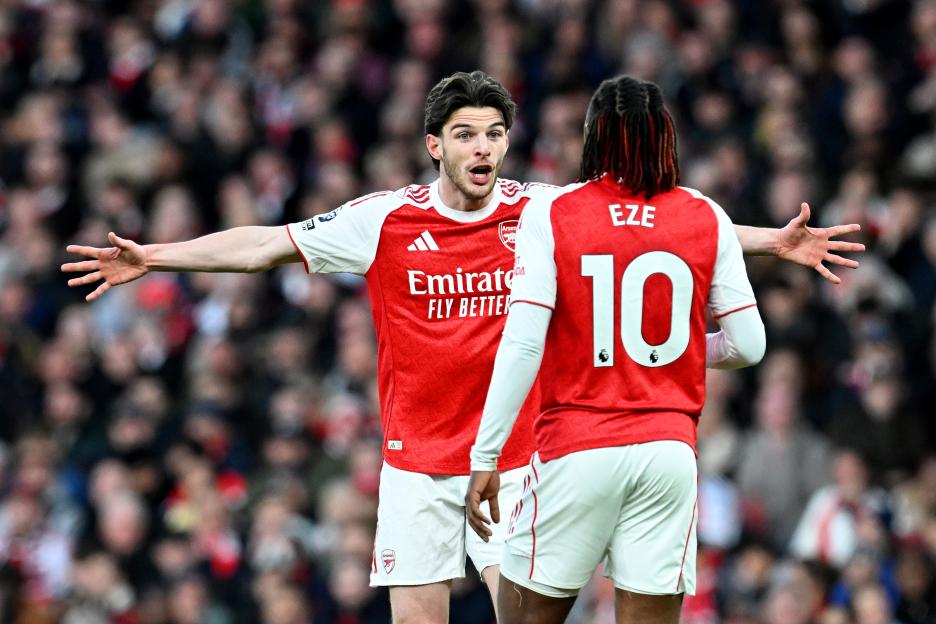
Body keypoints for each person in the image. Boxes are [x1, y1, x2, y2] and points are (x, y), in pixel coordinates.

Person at [63, 71, 862, 623]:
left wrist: (770, 241)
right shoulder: (383, 219)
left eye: (495, 134)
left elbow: (653, 227)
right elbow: (265, 244)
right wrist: (156, 256)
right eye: (466, 135)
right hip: (416, 465)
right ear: (434, 145)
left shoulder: (541, 210)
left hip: (513, 464)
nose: (484, 149)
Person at [465, 75, 766, 624]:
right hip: (668, 452)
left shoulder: (555, 212)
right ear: (665, 136)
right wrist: (672, 354)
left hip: (576, 446)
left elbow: (524, 343)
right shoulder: (706, 214)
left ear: (595, 136)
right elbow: (749, 345)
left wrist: (486, 456)